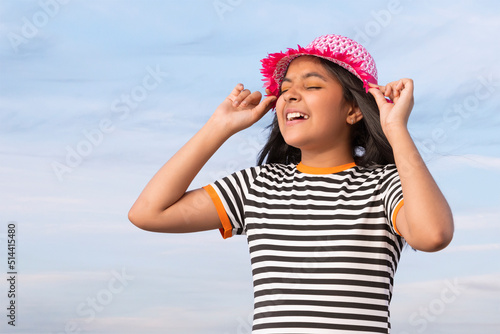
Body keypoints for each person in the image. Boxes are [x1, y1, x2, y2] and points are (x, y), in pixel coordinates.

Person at [128, 34, 454, 333]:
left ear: (354, 108)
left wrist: (396, 128)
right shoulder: (258, 185)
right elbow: (148, 213)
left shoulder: (383, 185)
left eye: (312, 86)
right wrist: (219, 126)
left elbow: (432, 235)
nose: (291, 96)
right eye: (284, 90)